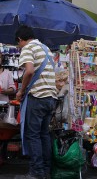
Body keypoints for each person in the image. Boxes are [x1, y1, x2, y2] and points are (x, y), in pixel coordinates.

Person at [15, 25, 57, 179]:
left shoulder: (28, 48)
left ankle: (36, 172)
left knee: (33, 135)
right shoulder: (46, 49)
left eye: (18, 43)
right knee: (44, 134)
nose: (19, 47)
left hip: (38, 97)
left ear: (20, 39)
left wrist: (21, 90)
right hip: (50, 98)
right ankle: (46, 170)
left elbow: (30, 70)